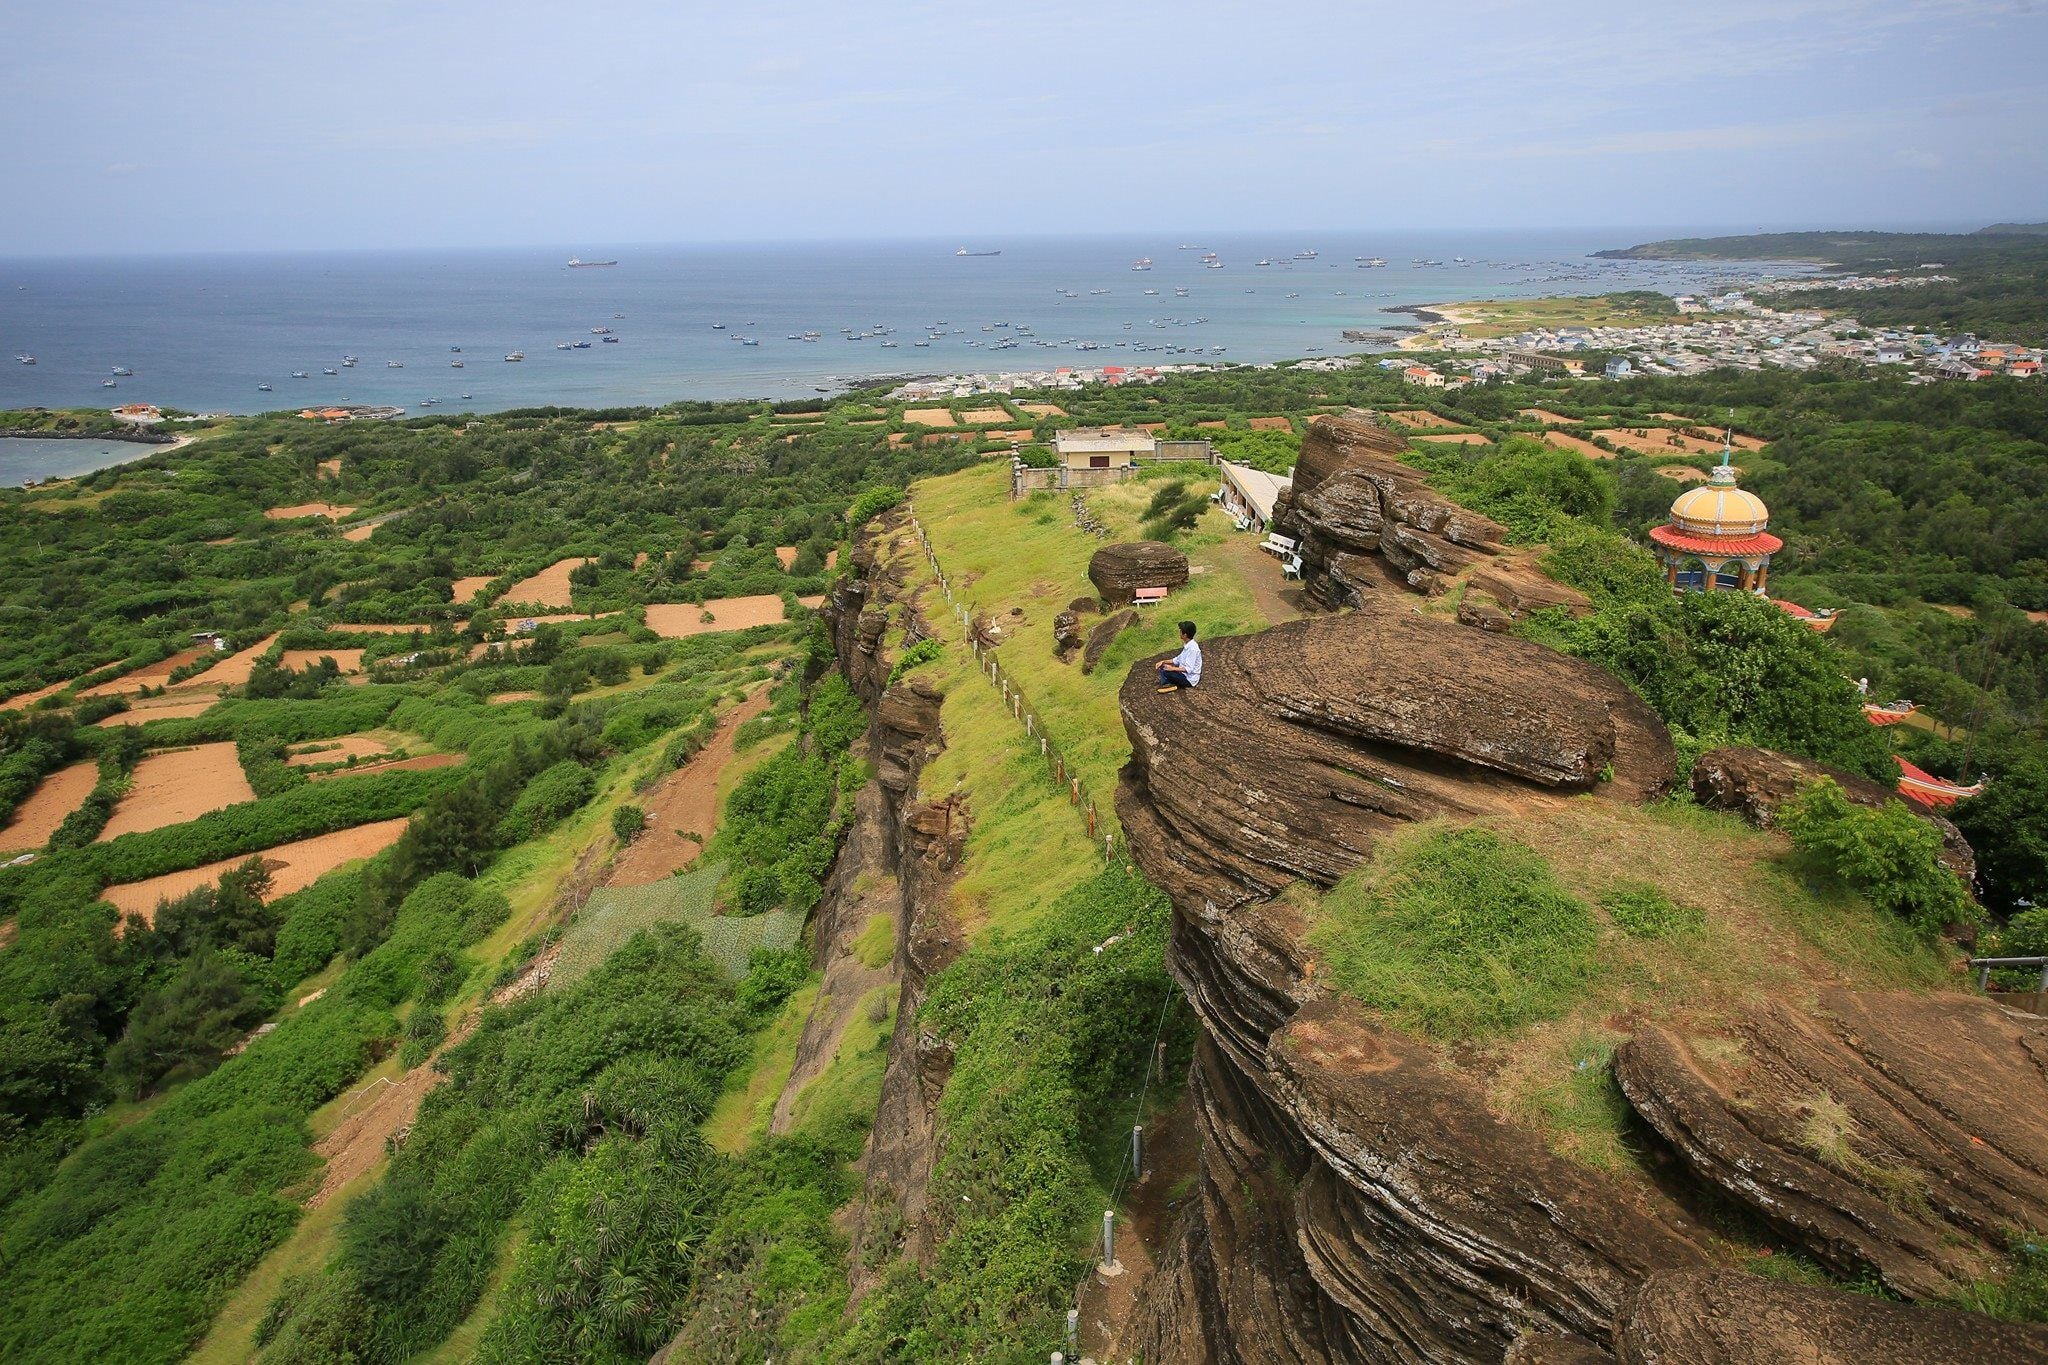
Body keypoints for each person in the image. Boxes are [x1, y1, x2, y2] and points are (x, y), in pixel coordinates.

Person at [1156, 620, 1202, 692]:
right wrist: (1163, 661)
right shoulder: (1188, 645)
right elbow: (1177, 659)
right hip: (1183, 675)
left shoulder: (1193, 649)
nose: (1179, 633)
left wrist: (1172, 668)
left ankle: (1171, 682)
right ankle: (1170, 680)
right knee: (1163, 667)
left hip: (1189, 679)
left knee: (1166, 671)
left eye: (1180, 631)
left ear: (1185, 635)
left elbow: (1188, 669)